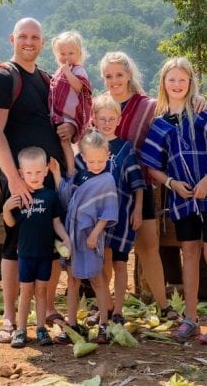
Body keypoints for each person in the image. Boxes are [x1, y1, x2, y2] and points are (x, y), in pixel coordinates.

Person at [99, 51, 206, 321]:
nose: (115, 80)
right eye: (109, 76)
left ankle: (164, 305)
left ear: (129, 75)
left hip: (139, 186)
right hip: (105, 189)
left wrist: (196, 99)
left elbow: (176, 107)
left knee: (148, 245)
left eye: (119, 75)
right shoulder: (100, 107)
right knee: (107, 251)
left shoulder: (147, 106)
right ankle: (105, 306)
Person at [139, 57, 207, 345]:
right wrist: (171, 183)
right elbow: (152, 166)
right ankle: (191, 319)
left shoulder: (203, 114)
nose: (177, 85)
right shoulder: (159, 124)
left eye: (183, 80)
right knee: (189, 254)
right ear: (164, 84)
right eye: (172, 80)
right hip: (182, 198)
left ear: (190, 83)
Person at [0, 17, 71, 343]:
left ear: (42, 42)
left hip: (46, 178)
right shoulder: (4, 79)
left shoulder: (45, 79)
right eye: (23, 36)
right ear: (12, 39)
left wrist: (68, 131)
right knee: (15, 245)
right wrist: (14, 180)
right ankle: (9, 316)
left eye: (35, 37)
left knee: (48, 243)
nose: (29, 42)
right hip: (20, 178)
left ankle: (46, 310)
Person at [77, 94, 146, 325]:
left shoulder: (125, 148)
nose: (107, 122)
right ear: (94, 119)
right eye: (102, 118)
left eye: (111, 118)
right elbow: (77, 174)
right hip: (98, 217)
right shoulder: (90, 145)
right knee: (102, 261)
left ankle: (118, 310)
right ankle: (103, 305)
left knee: (120, 261)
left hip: (123, 214)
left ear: (119, 119)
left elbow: (137, 183)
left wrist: (138, 210)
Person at [49, 130, 119, 344]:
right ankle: (72, 325)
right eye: (91, 161)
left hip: (91, 238)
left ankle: (104, 325)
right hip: (73, 237)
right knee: (72, 280)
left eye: (100, 160)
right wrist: (56, 175)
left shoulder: (107, 180)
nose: (96, 164)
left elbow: (108, 212)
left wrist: (95, 234)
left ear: (108, 155)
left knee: (97, 280)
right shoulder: (80, 175)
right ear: (84, 158)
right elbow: (67, 197)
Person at [1, 147, 72, 348]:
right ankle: (21, 330)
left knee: (41, 291)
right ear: (21, 173)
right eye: (29, 173)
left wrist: (66, 238)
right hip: (25, 255)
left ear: (46, 171)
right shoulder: (19, 197)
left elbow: (57, 223)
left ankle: (41, 328)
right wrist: (6, 209)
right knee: (25, 292)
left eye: (38, 172)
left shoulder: (50, 196)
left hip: (45, 255)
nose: (34, 177)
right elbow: (11, 223)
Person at [47, 31, 93, 172]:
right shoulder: (59, 71)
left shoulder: (78, 70)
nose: (66, 57)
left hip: (70, 114)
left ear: (79, 54)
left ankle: (71, 170)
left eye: (71, 53)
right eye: (62, 54)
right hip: (58, 113)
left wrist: (67, 73)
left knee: (64, 141)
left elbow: (80, 87)